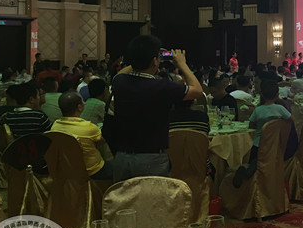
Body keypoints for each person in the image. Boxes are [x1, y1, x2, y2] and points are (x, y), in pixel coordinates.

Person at [109, 35, 202, 181]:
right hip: (151, 159)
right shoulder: (161, 87)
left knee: (123, 196)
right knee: (153, 196)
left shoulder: (120, 82)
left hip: (121, 158)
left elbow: (122, 73)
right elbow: (197, 90)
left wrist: (140, 56)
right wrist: (181, 64)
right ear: (154, 61)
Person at [232, 80, 297, 187]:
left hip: (258, 144)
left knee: (255, 159)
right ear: (277, 94)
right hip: (276, 144)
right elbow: (291, 120)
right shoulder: (280, 109)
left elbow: (251, 125)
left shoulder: (258, 110)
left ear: (262, 94)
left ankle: (249, 169)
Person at [51, 91, 113, 180]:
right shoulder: (89, 127)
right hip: (92, 171)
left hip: (68, 170)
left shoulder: (55, 126)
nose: (85, 103)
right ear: (79, 107)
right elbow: (102, 142)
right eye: (83, 101)